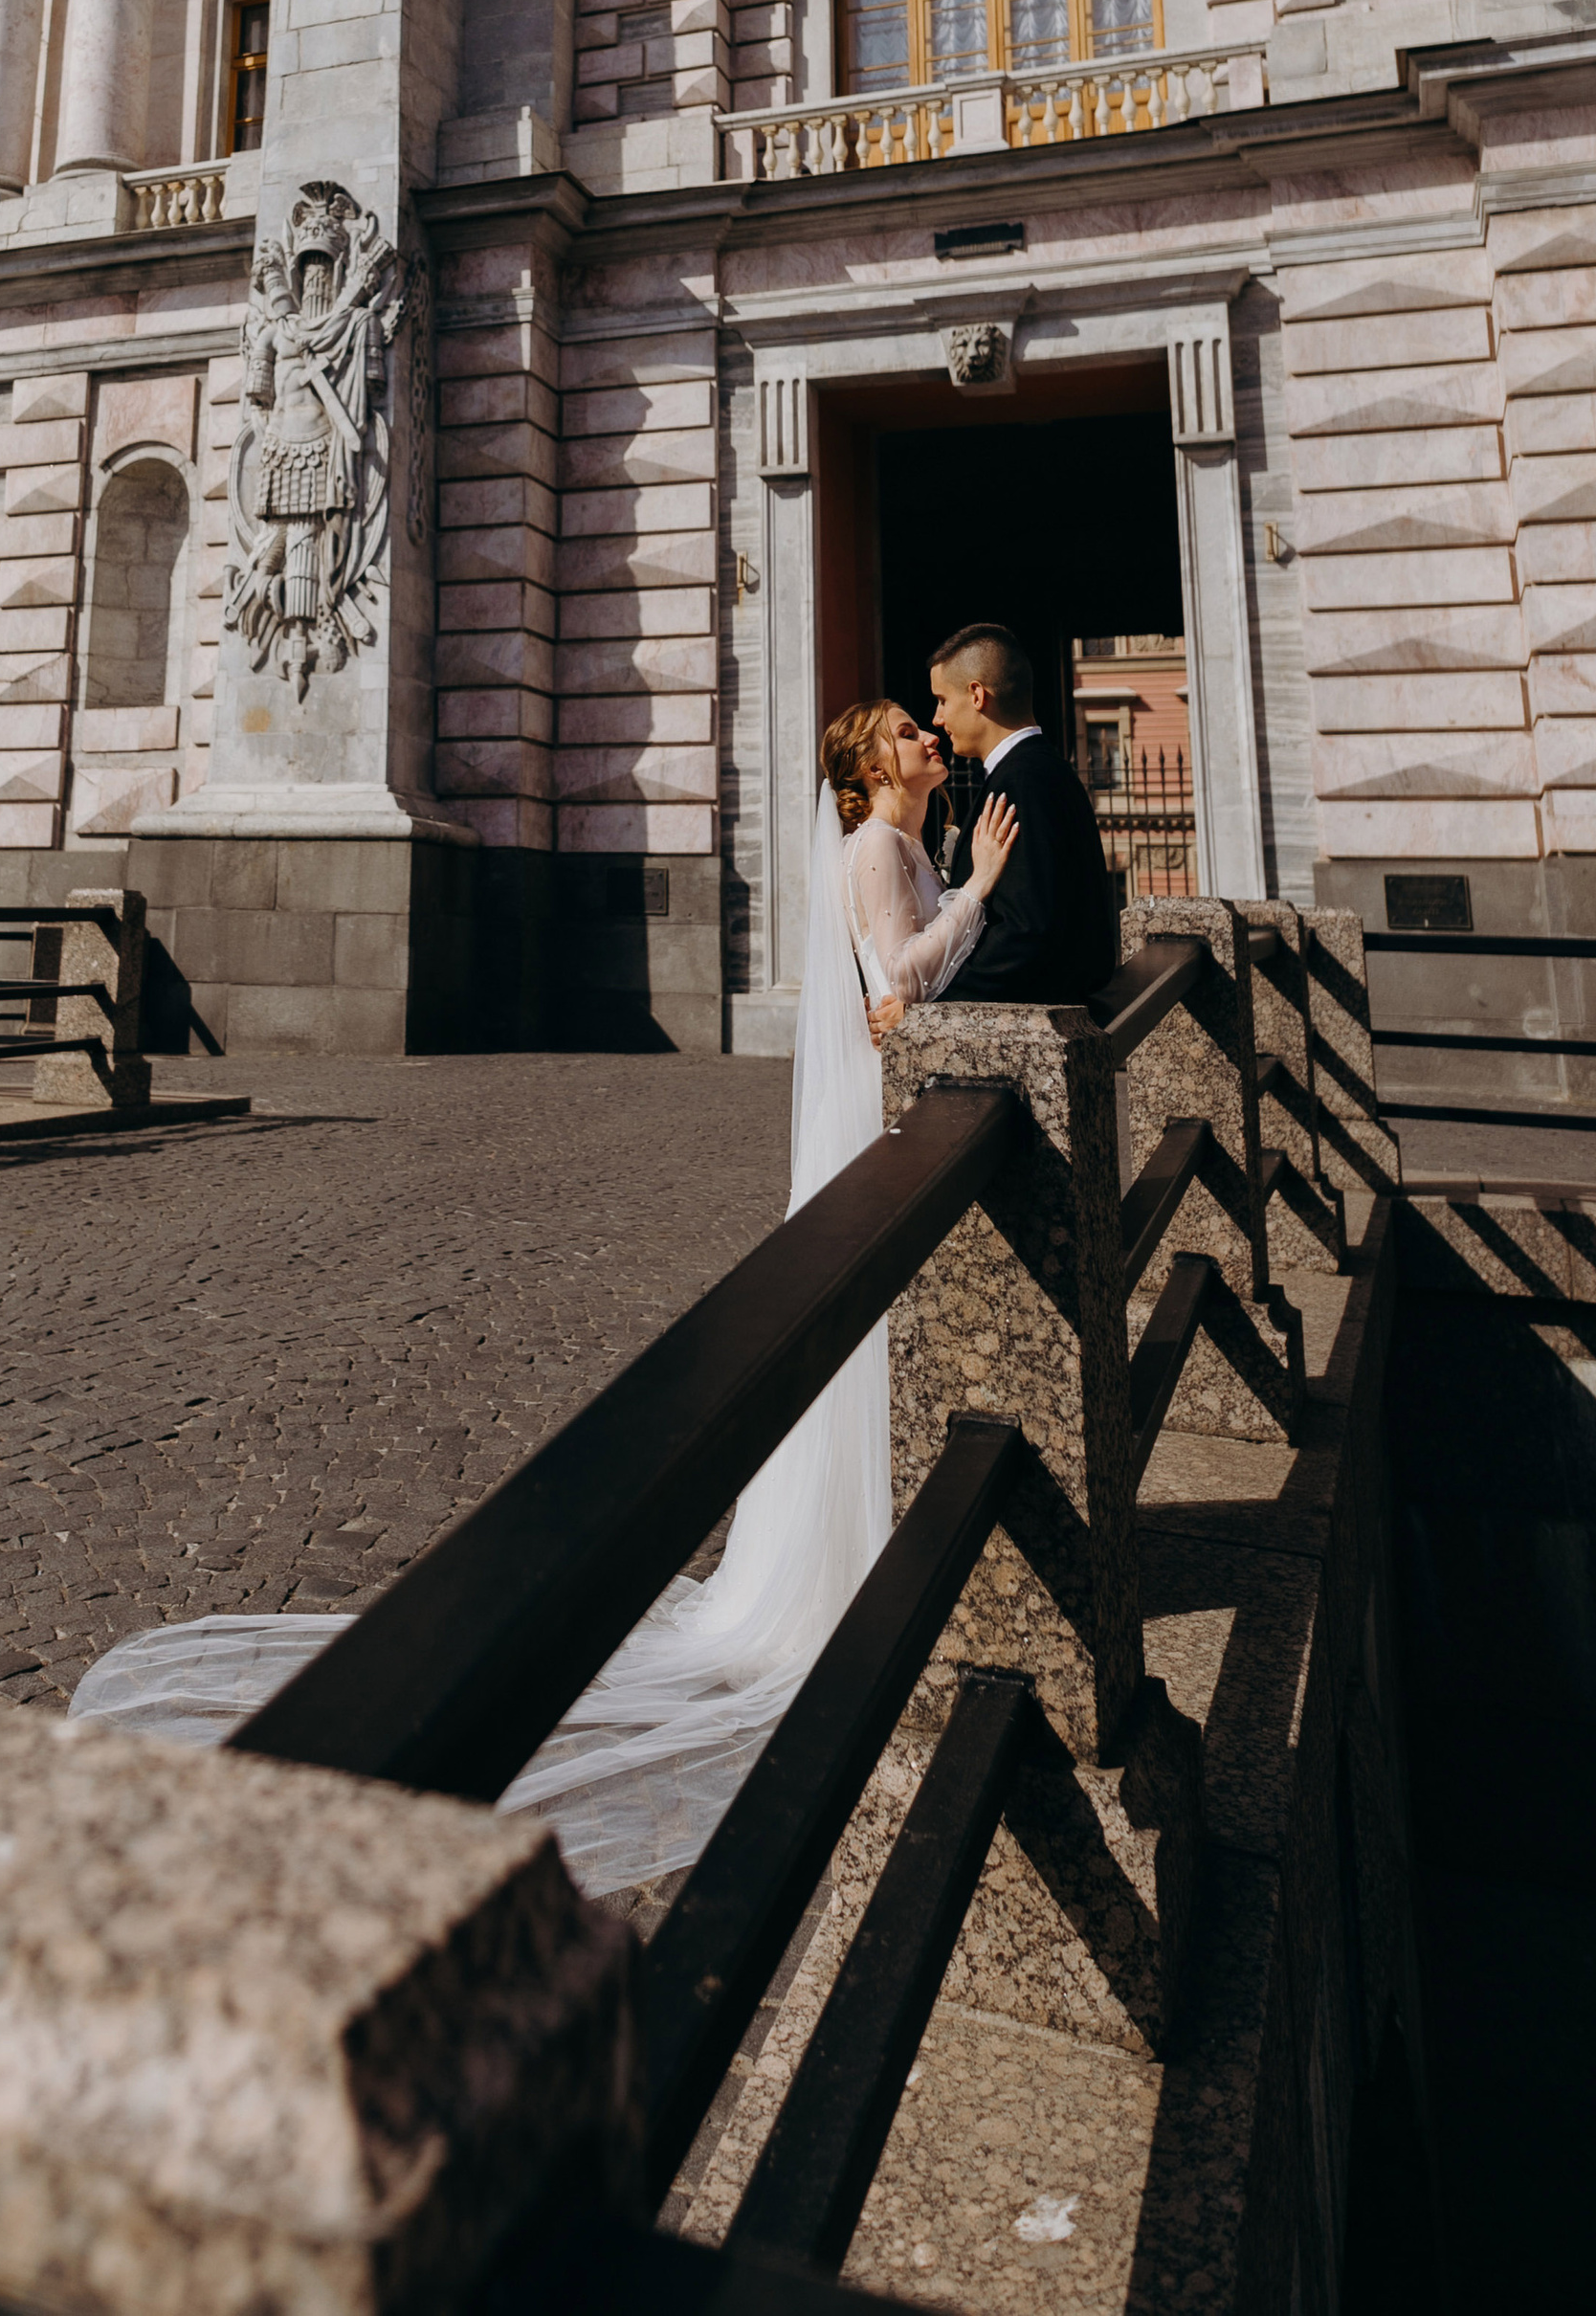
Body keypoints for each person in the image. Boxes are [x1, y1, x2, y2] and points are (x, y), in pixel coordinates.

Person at [64, 701, 1016, 1892]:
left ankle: (880, 1541)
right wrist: (977, 891)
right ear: (865, 768)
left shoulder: (905, 840)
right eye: (900, 728)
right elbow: (898, 981)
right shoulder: (884, 851)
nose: (926, 732)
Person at [925, 618, 1120, 1005]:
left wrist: (933, 1004)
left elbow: (1027, 928)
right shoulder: (1041, 768)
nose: (937, 718)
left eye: (943, 700)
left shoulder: (1023, 781)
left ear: (977, 695)